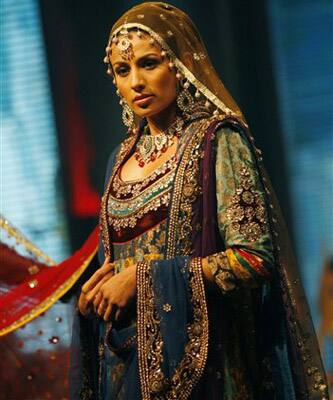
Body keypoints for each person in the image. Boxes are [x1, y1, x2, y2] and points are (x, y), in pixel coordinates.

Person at [0, 2, 328, 399]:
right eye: (123, 70)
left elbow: (253, 260)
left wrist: (143, 282)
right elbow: (113, 268)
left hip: (211, 368)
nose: (136, 81)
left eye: (149, 63)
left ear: (180, 64)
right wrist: (98, 295)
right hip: (129, 369)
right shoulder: (120, 160)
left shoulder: (218, 142)